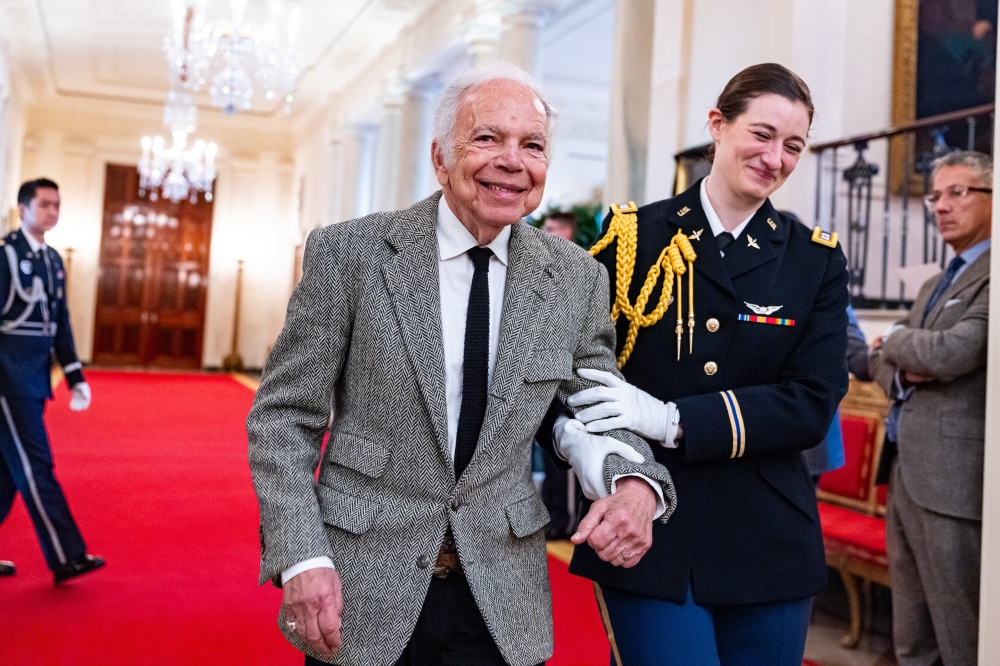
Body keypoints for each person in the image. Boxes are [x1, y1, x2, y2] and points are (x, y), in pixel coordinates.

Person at [247, 63, 675, 666]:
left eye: (533, 145)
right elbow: (284, 418)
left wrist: (635, 484)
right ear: (440, 156)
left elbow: (601, 407)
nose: (512, 161)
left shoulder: (577, 278)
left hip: (501, 597)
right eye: (487, 138)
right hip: (360, 586)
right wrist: (302, 554)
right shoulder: (350, 254)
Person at [543, 63, 850, 665]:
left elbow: (811, 404)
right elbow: (576, 372)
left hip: (767, 536)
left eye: (794, 145)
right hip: (650, 524)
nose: (775, 157)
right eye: (761, 134)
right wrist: (598, 452)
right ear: (718, 125)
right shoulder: (633, 237)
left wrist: (672, 418)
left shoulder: (813, 261)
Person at [869, 150, 991, 666]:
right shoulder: (932, 283)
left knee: (959, 631)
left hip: (954, 482)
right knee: (911, 634)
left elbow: (955, 352)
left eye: (957, 193)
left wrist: (895, 339)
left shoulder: (992, 274)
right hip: (906, 470)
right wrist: (902, 358)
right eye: (935, 196)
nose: (941, 206)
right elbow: (879, 365)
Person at [0, 178, 104, 583]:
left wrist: (74, 374)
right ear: (23, 208)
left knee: (7, 474)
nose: (52, 212)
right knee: (36, 464)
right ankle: (66, 556)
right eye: (44, 204)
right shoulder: (6, 255)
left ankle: (66, 554)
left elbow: (59, 323)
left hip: (34, 380)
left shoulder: (52, 260)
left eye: (56, 205)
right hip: (7, 382)